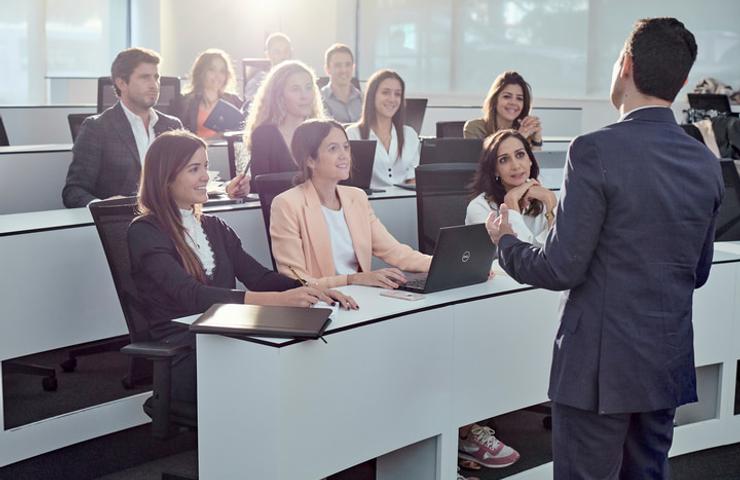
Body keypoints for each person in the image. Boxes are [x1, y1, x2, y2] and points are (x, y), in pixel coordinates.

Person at [485, 18, 723, 479]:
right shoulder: (705, 162)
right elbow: (698, 271)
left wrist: (506, 242)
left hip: (598, 369)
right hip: (665, 362)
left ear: (626, 66)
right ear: (684, 82)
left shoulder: (593, 149)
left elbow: (560, 267)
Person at [127, 130, 356, 404]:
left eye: (206, 167)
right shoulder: (145, 231)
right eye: (194, 169)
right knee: (287, 371)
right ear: (165, 179)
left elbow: (259, 277)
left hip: (227, 333)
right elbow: (191, 295)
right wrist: (279, 301)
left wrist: (314, 289)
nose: (205, 177)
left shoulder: (213, 227)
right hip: (186, 346)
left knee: (310, 351)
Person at [270, 119, 431, 289]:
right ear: (310, 160)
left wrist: (444, 263)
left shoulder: (356, 197)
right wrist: (351, 279)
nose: (344, 155)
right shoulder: (286, 204)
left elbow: (395, 252)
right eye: (333, 148)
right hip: (321, 302)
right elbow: (296, 279)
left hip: (361, 297)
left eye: (346, 147)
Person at [62, 48, 183, 208]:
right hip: (123, 223)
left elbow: (184, 177)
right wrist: (104, 207)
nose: (154, 85)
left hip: (170, 218)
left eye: (156, 77)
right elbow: (74, 191)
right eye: (145, 77)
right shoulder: (97, 128)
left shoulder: (172, 126)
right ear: (121, 83)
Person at [466, 129, 557, 246]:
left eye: (520, 155)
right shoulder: (479, 208)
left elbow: (560, 252)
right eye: (504, 160)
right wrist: (511, 203)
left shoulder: (545, 197)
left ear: (530, 160)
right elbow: (519, 258)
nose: (515, 165)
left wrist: (550, 201)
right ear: (495, 170)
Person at [243, 60, 325, 179]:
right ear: (279, 96)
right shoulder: (263, 135)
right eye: (295, 89)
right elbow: (260, 186)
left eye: (308, 87)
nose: (304, 95)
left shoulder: (324, 131)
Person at [346, 70, 420, 189]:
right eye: (385, 92)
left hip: (405, 202)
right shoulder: (353, 134)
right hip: (368, 202)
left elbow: (413, 179)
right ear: (372, 95)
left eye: (397, 94)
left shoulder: (409, 134)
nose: (392, 99)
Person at [464, 71, 543, 151]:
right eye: (507, 96)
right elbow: (484, 162)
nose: (513, 102)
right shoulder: (475, 128)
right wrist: (518, 138)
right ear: (495, 99)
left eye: (519, 98)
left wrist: (536, 141)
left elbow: (534, 163)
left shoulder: (524, 130)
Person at [178, 48, 243, 139]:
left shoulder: (234, 100)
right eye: (212, 70)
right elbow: (179, 138)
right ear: (201, 72)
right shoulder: (186, 102)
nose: (217, 75)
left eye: (222, 71)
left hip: (227, 151)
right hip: (197, 151)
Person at [244, 32, 293, 104]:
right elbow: (252, 108)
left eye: (286, 51)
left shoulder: (301, 79)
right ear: (268, 55)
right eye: (277, 52)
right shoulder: (258, 81)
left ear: (291, 53)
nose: (283, 56)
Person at [321, 43, 362, 123]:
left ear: (353, 68)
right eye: (337, 65)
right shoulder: (319, 100)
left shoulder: (363, 99)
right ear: (327, 69)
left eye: (348, 65)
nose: (343, 70)